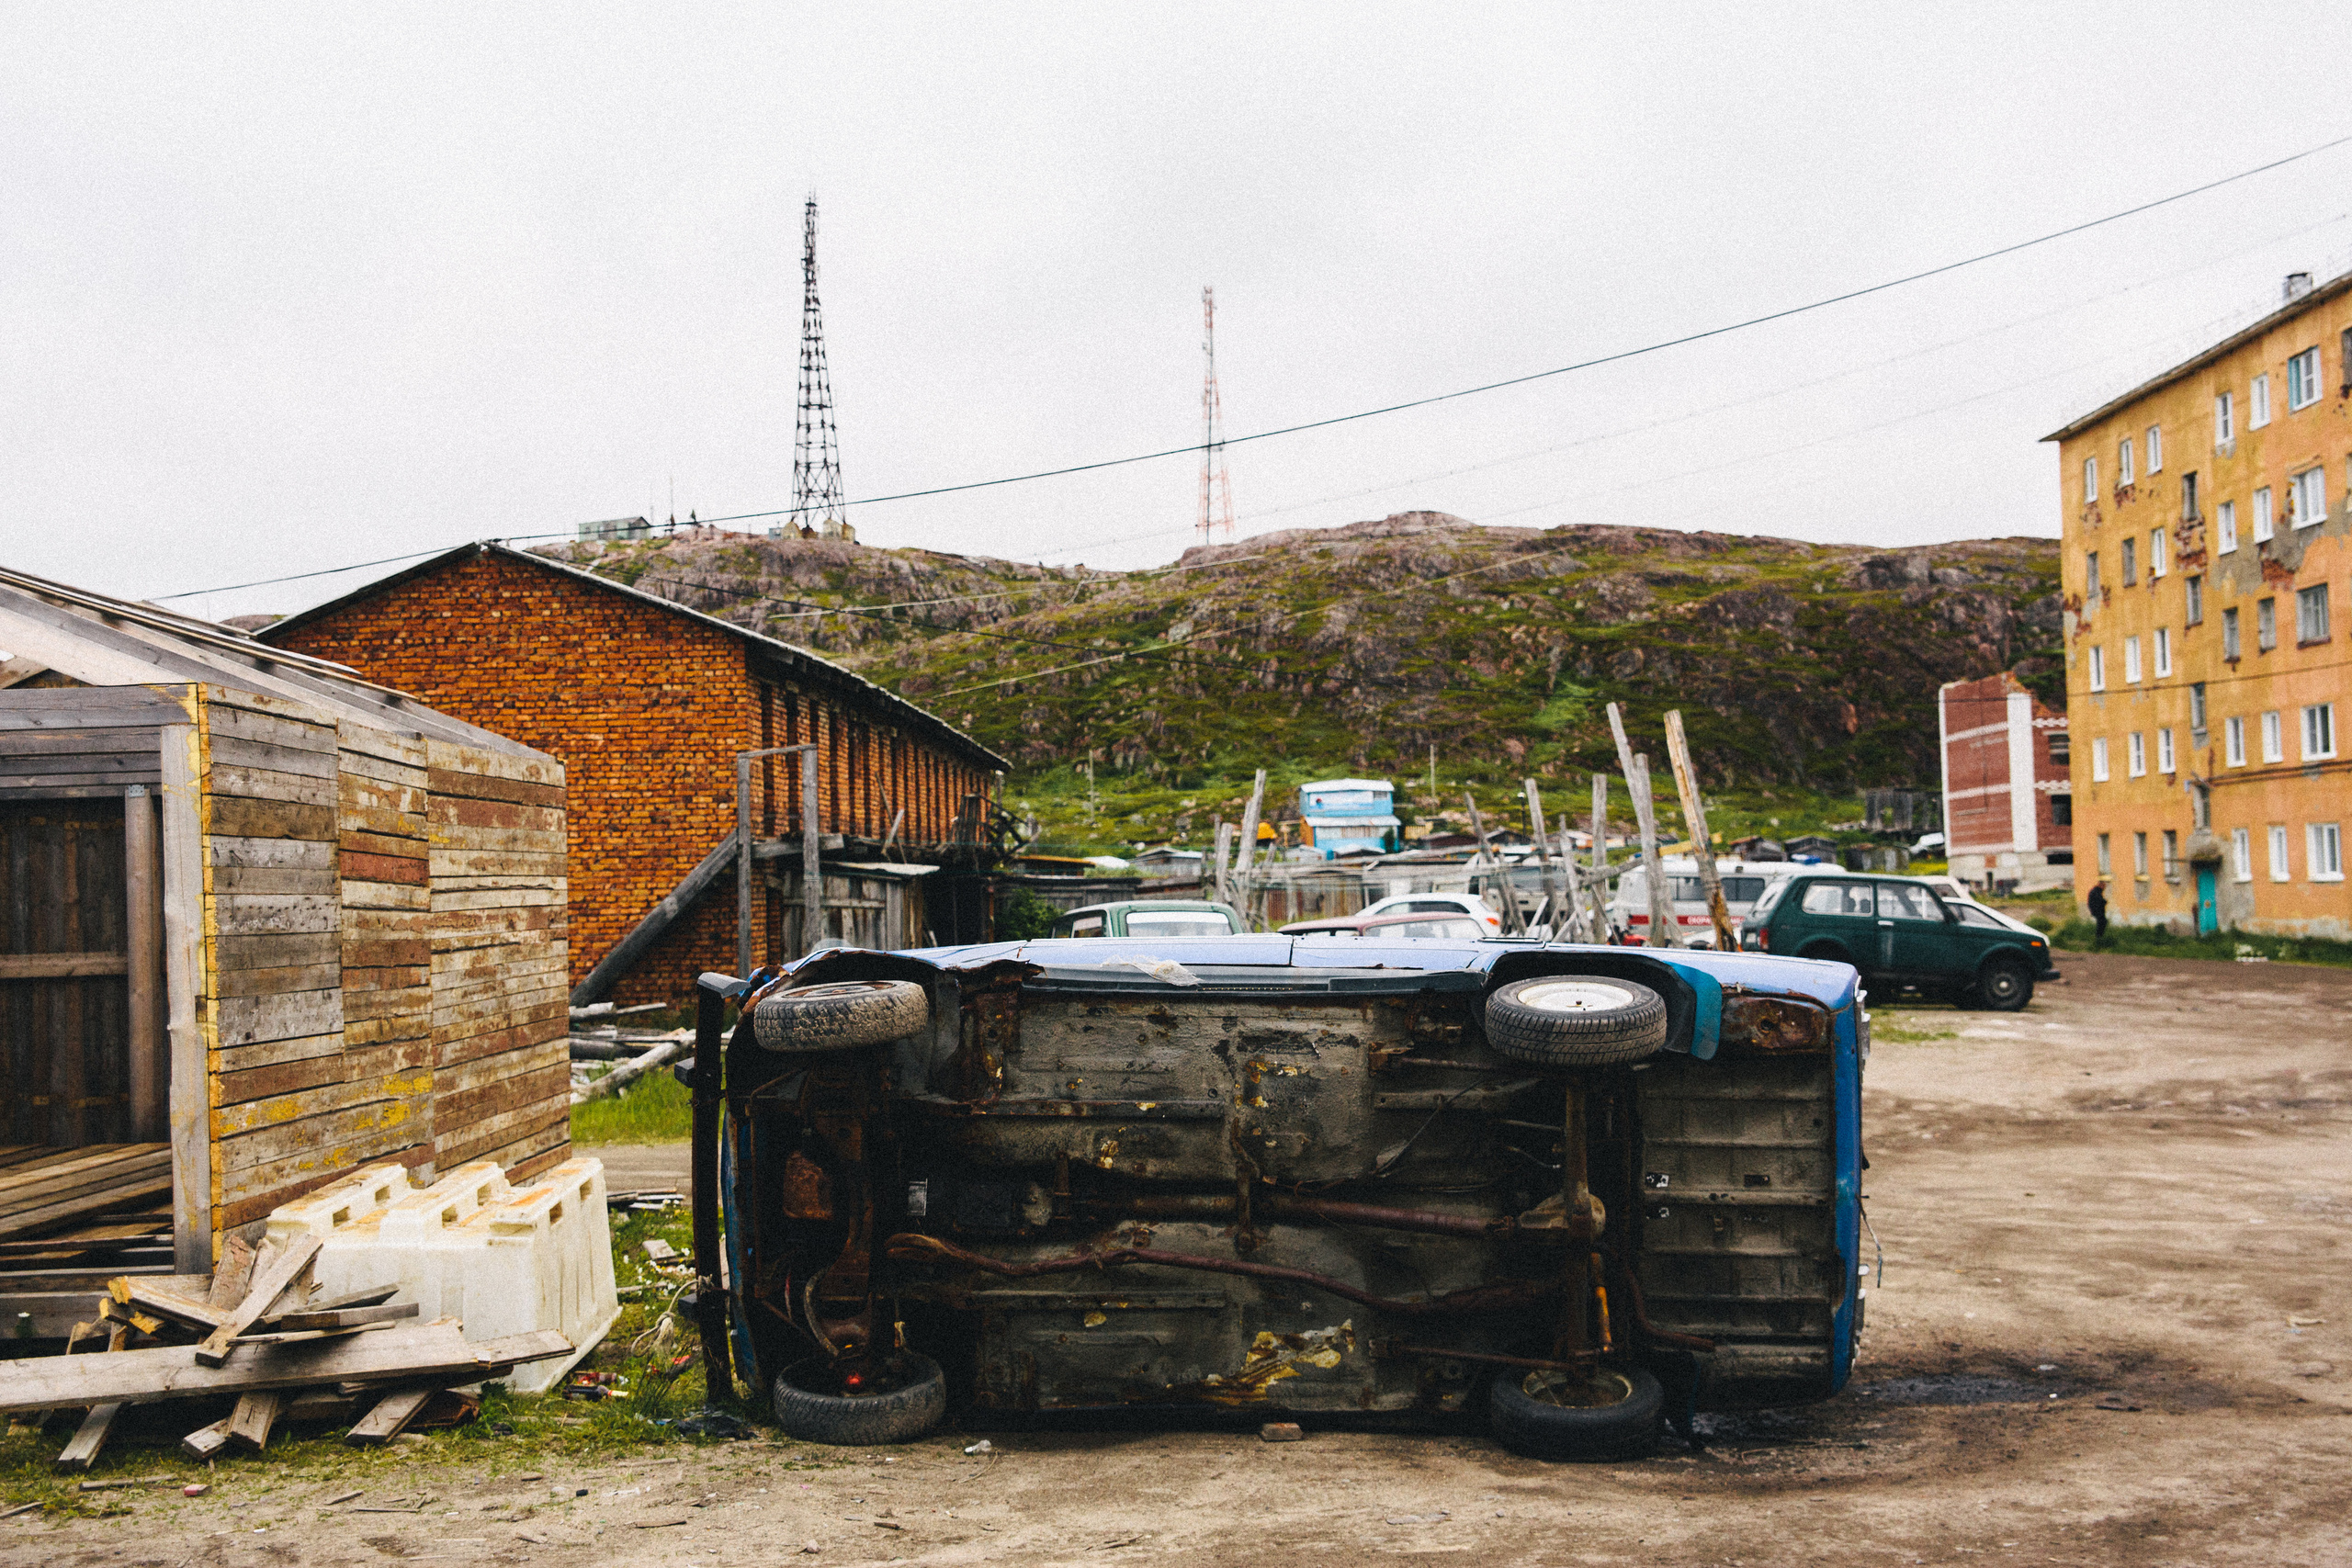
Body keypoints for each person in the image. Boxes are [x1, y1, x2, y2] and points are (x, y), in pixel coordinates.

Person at [2086, 880, 2109, 944]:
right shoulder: (2096, 891)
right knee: (2102, 922)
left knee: (2102, 922)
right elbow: (2099, 901)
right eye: (2104, 886)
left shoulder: (2096, 891)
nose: (2105, 888)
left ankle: (2099, 937)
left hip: (2097, 910)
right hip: (2097, 910)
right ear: (2100, 885)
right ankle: (2098, 937)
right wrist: (2104, 902)